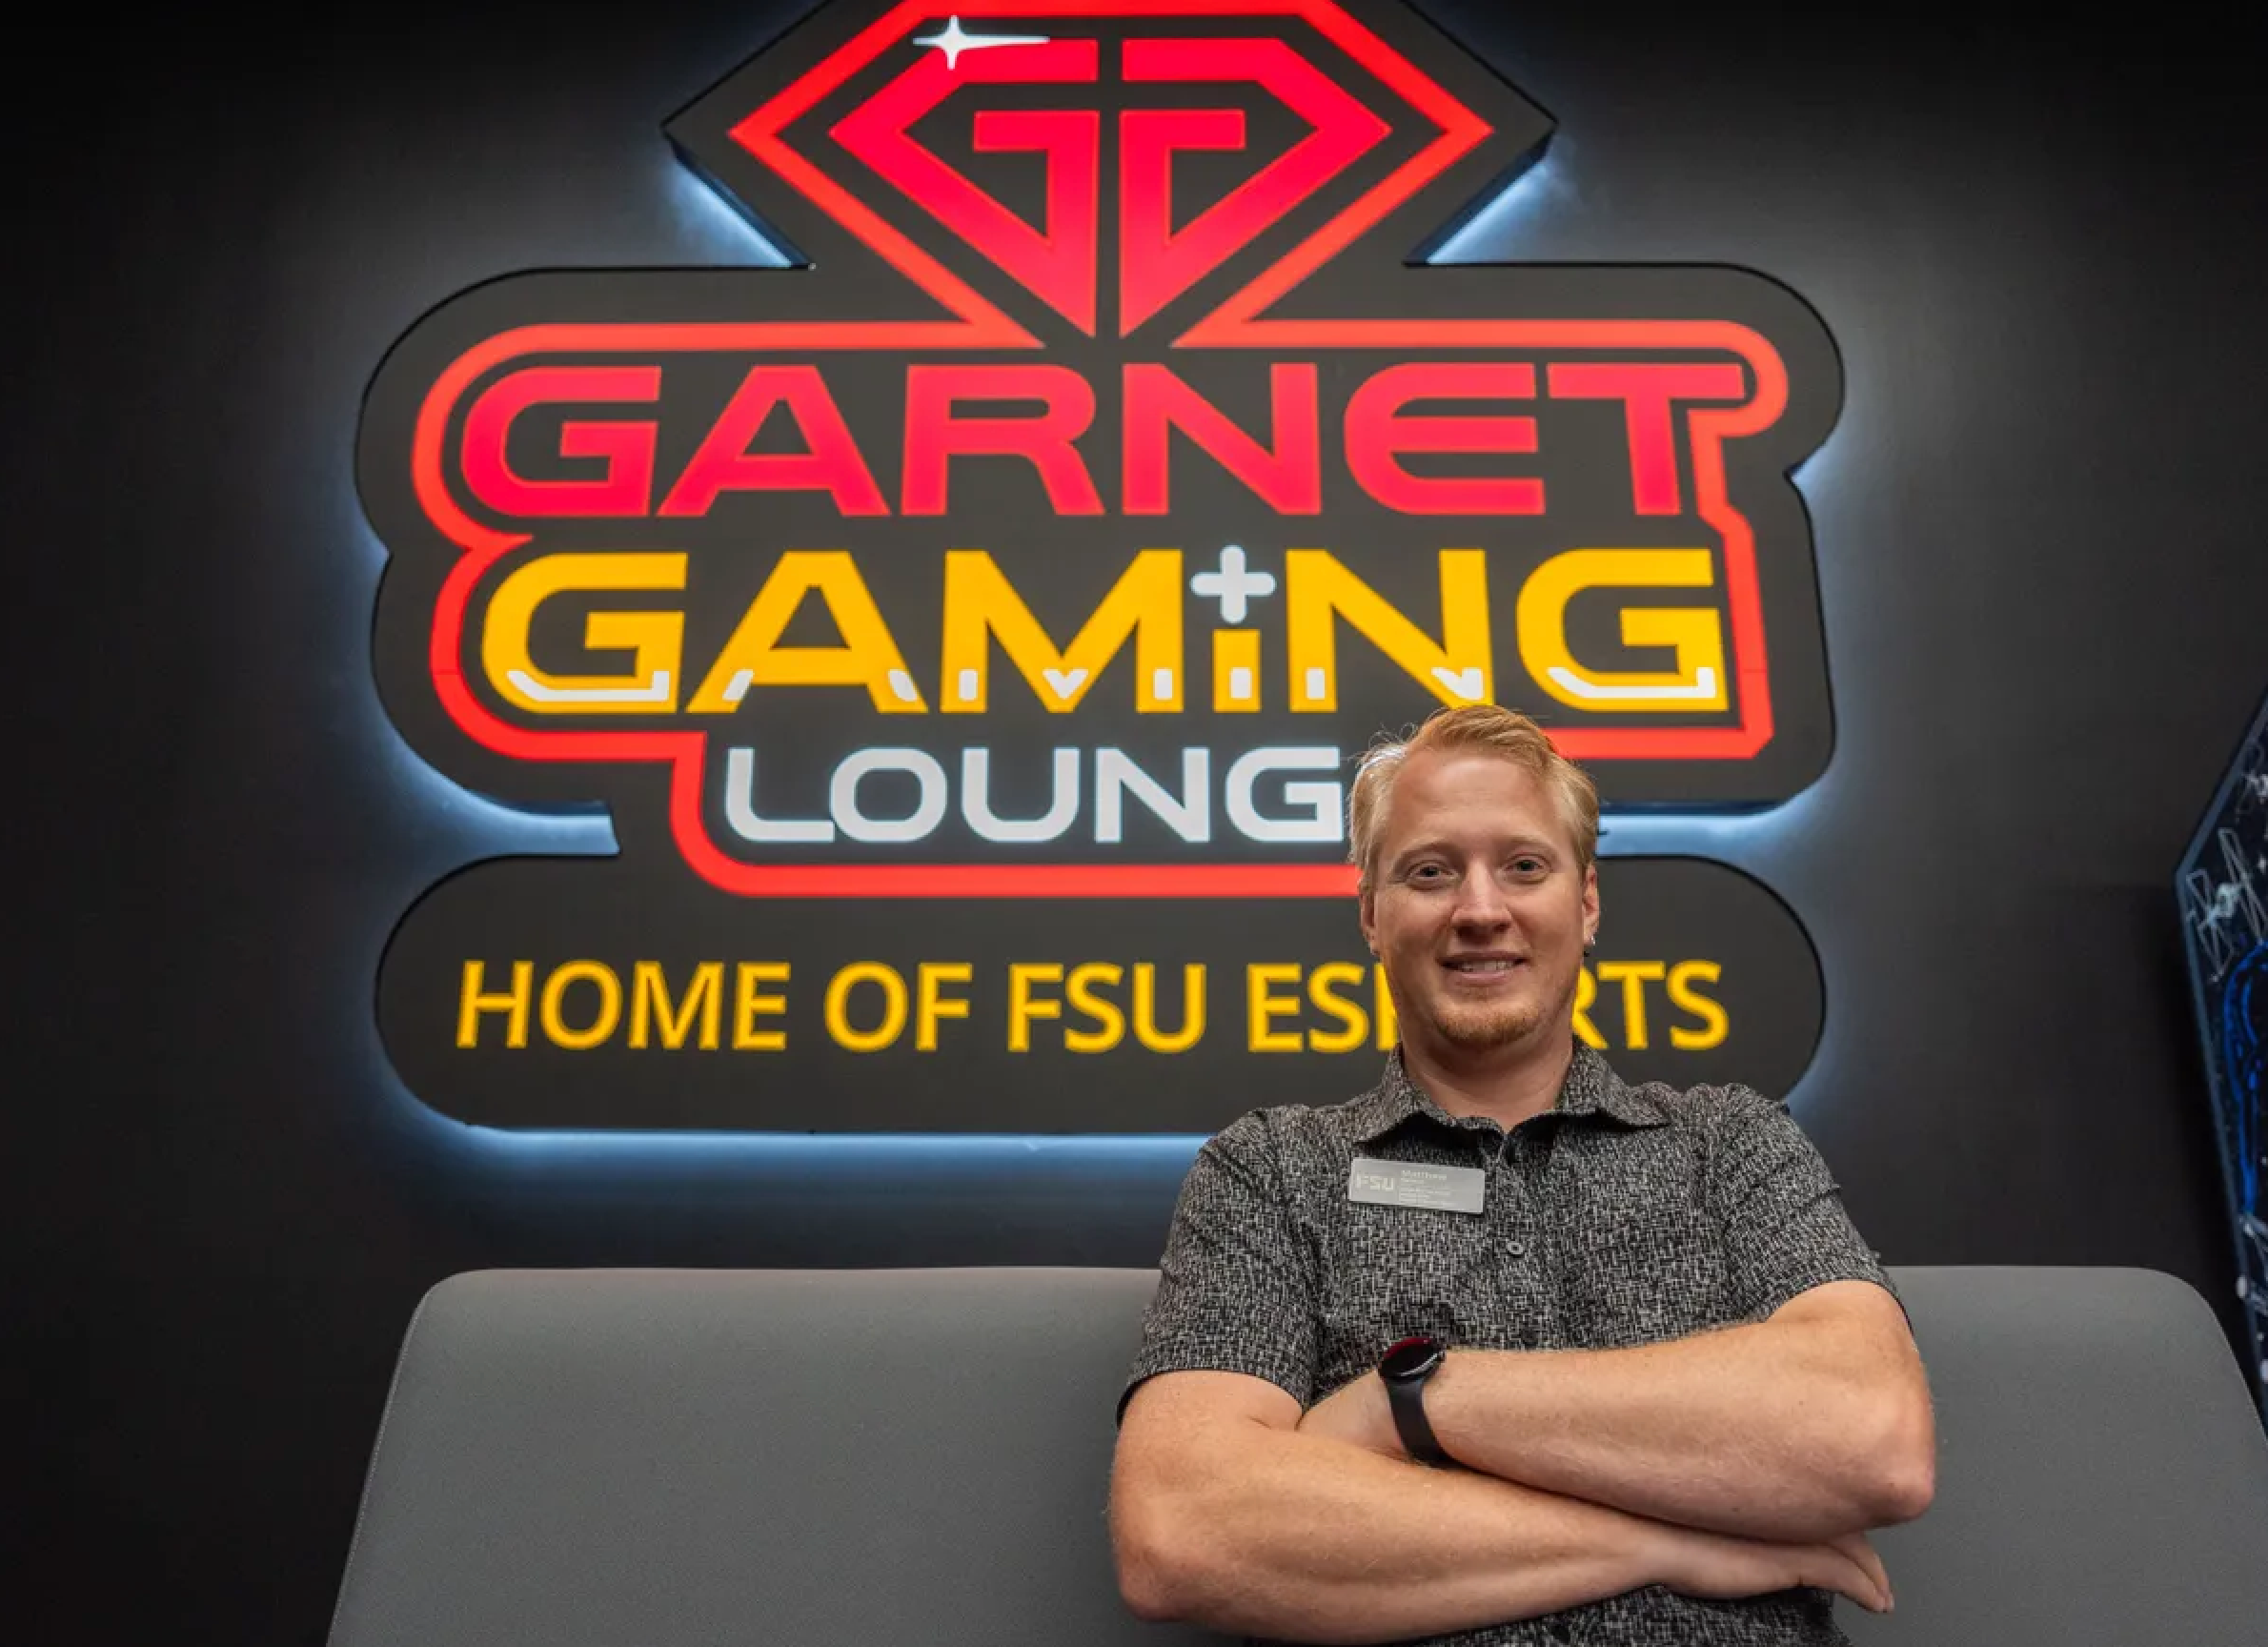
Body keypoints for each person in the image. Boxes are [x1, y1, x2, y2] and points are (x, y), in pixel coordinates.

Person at [1109, 704, 1934, 1646]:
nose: (1479, 910)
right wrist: (1670, 1540)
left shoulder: (1730, 1141)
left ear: (1585, 906)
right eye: (1429, 872)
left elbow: (1871, 1435)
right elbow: (1182, 1530)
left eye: (1523, 866)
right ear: (1372, 917)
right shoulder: (1269, 1170)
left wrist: (1414, 1399)